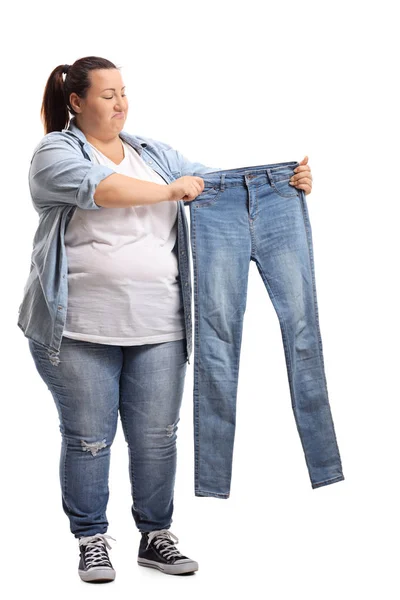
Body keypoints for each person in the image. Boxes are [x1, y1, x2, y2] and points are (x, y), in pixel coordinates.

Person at [21, 55, 313, 583]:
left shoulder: (152, 153)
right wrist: (171, 191)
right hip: (77, 330)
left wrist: (280, 185)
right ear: (76, 101)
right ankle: (91, 538)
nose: (120, 103)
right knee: (89, 437)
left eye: (124, 92)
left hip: (160, 325)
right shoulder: (54, 153)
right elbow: (102, 190)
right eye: (107, 95)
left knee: (157, 437)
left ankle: (156, 536)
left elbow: (214, 188)